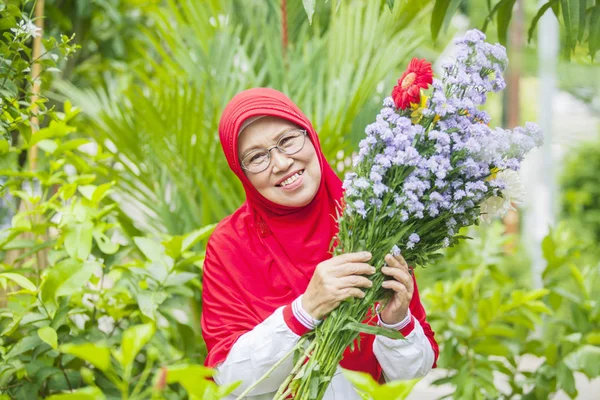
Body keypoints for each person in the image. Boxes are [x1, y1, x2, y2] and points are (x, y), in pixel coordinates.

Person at [201, 88, 439, 399]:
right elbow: (230, 379)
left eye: (287, 140)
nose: (282, 162)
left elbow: (410, 375)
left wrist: (395, 322)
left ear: (309, 134)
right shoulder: (229, 246)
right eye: (257, 157)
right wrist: (305, 309)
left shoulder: (371, 218)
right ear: (241, 173)